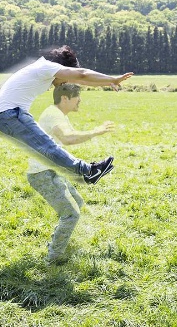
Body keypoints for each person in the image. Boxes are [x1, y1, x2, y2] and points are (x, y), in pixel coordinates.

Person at [0, 45, 133, 184]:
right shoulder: (46, 67)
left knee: (47, 145)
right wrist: (113, 79)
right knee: (48, 146)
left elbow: (79, 79)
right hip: (10, 114)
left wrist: (108, 82)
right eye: (65, 78)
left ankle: (89, 171)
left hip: (9, 114)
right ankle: (89, 171)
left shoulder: (44, 69)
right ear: (61, 68)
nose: (65, 83)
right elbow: (82, 74)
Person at [27, 83, 114, 264]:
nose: (80, 100)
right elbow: (68, 138)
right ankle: (53, 258)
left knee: (77, 203)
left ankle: (57, 242)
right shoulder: (53, 115)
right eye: (77, 96)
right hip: (42, 174)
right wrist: (95, 131)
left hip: (52, 171)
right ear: (65, 98)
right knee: (71, 214)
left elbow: (65, 141)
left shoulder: (58, 115)